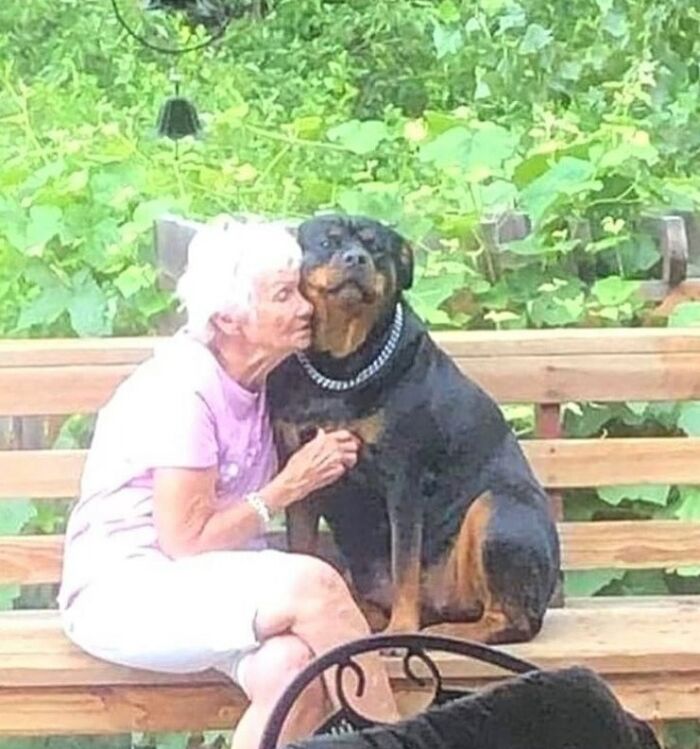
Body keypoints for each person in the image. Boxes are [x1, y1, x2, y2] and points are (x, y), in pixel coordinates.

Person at [58, 216, 399, 749]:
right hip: (127, 592)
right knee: (315, 584)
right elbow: (184, 541)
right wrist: (288, 486)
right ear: (228, 318)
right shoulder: (183, 388)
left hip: (207, 591)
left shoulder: (264, 381)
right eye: (284, 295)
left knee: (297, 672)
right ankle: (411, 741)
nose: (306, 307)